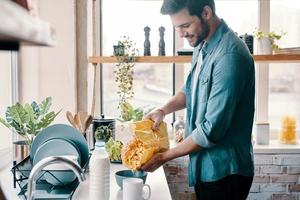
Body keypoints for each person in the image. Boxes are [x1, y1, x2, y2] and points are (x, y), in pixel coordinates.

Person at [140, 0, 255, 199]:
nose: (182, 34)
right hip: (206, 167)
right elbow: (190, 90)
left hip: (226, 173)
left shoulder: (230, 55)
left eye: (185, 26)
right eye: (177, 28)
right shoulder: (202, 45)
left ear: (206, 13)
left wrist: (164, 156)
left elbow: (211, 129)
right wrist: (163, 110)